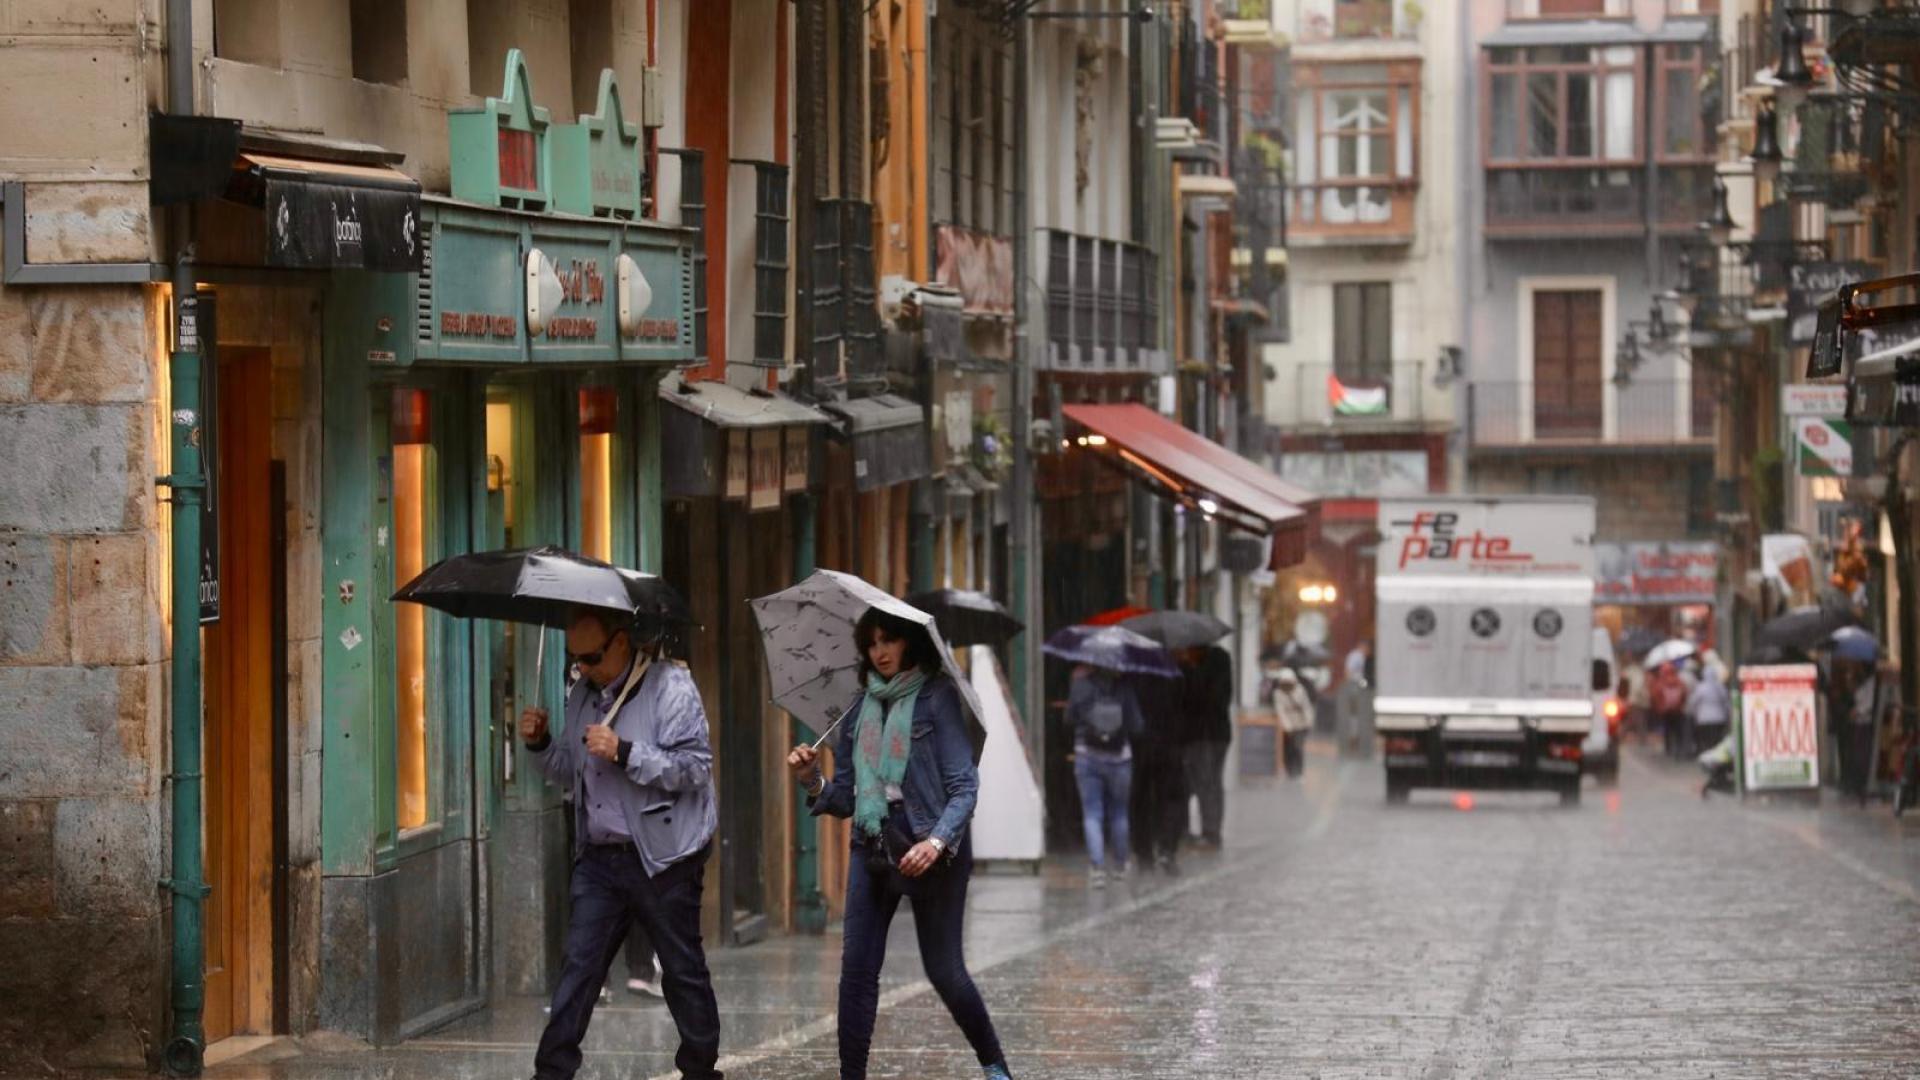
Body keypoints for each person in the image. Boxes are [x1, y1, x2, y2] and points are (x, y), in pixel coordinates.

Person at [784, 609, 1014, 1080]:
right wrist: (812, 780)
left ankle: (994, 1065)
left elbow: (963, 787)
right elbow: (846, 797)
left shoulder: (937, 699)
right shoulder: (857, 708)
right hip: (873, 837)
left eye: (888, 641)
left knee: (945, 972)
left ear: (908, 643)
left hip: (933, 839)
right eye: (870, 644)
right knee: (857, 973)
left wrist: (935, 841)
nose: (880, 653)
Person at [520, 609, 722, 1080]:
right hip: (601, 856)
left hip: (664, 856)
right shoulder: (582, 694)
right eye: (576, 659)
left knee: (682, 970)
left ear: (621, 642)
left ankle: (700, 1070)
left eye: (591, 656)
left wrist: (625, 752)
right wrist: (541, 743)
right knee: (579, 969)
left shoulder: (670, 686)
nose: (584, 667)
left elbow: (694, 768)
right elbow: (570, 768)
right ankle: (552, 1071)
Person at [1065, 663, 1145, 884]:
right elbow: (1137, 725)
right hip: (1120, 759)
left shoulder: (1080, 685)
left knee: (1092, 814)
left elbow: (1068, 718)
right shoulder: (1125, 688)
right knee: (1119, 814)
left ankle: (1097, 868)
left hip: (1087, 757)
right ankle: (1120, 865)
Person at [1128, 668, 1188, 874]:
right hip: (1170, 745)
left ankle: (1144, 852)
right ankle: (1167, 849)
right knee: (1171, 798)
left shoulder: (1132, 675)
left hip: (1141, 745)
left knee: (1141, 799)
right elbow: (1186, 709)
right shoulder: (1175, 675)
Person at [1179, 644, 1234, 849]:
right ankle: (1204, 831)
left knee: (1208, 783)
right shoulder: (1191, 663)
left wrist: (1191, 669)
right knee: (1199, 783)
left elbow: (1212, 698)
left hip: (1208, 734)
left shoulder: (1216, 661)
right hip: (1201, 734)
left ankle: (1211, 833)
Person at [1267, 665, 1314, 779]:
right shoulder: (1278, 693)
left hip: (1300, 723)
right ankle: (1289, 770)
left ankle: (1299, 771)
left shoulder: (1300, 690)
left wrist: (1309, 721)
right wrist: (1287, 728)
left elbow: (1306, 706)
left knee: (1298, 747)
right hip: (1286, 726)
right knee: (1287, 749)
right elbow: (1280, 711)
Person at [1686, 665, 1731, 758]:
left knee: (1707, 741)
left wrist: (1693, 713)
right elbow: (1726, 701)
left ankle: (1708, 757)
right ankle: (1717, 757)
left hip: (1703, 719)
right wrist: (1728, 714)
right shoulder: (1720, 686)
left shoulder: (1700, 687)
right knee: (1717, 741)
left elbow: (1693, 702)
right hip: (1719, 719)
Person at [1650, 662, 1689, 759]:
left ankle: (1669, 748)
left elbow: (1655, 696)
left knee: (1668, 730)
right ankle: (1679, 748)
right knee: (1678, 730)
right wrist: (1680, 704)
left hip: (1666, 711)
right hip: (1678, 710)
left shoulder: (1660, 682)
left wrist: (1659, 707)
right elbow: (1684, 693)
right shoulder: (1678, 681)